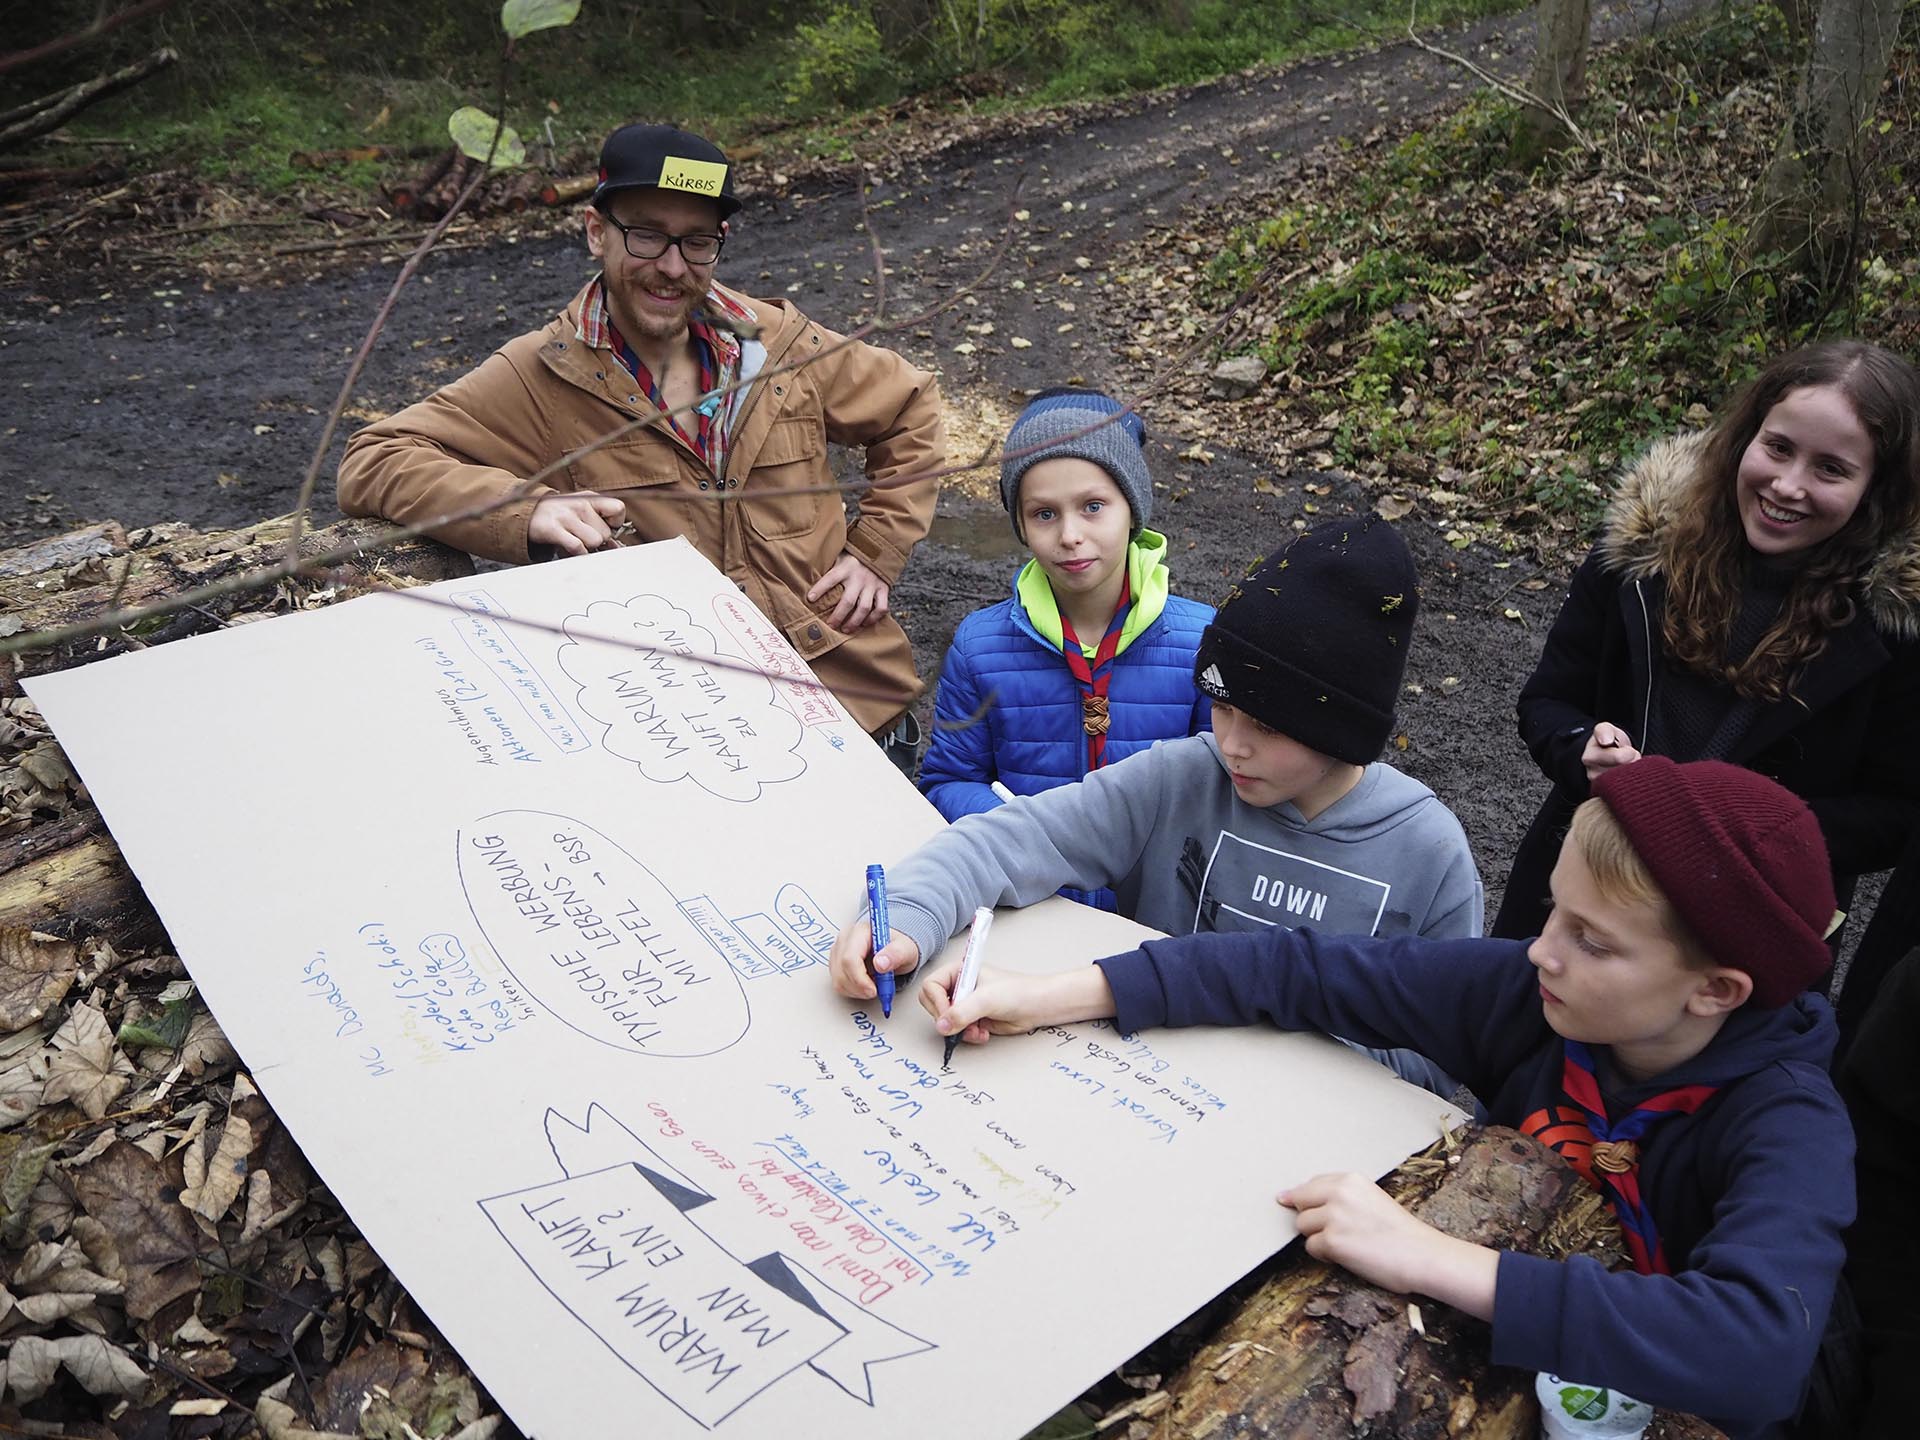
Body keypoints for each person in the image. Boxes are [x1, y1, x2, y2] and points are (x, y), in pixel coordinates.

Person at [923, 757, 1853, 1440]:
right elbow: (1301, 971)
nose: (1541, 950)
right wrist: (1045, 994)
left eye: (1591, 940)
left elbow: (1762, 1351)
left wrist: (1431, 1258)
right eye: (1554, 914)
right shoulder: (1529, 995)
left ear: (1717, 990)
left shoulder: (1787, 1120)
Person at [337, 123, 946, 768]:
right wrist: (523, 509)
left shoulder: (780, 346)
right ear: (597, 231)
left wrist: (877, 552)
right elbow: (375, 458)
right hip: (686, 737)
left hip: (854, 707)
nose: (673, 266)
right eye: (647, 234)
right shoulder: (541, 376)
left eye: (695, 241)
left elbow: (911, 407)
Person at [833, 515, 1482, 1092]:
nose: (1233, 744)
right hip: (1145, 1097)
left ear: (1344, 732)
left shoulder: (1428, 854)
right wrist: (907, 920)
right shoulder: (1184, 778)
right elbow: (1004, 840)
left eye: (1268, 726)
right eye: (1222, 708)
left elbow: (1447, 1056)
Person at [1493, 340, 1920, 942]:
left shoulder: (1896, 626)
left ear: (1877, 489)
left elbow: (1898, 810)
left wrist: (1763, 831)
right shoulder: (1640, 555)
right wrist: (1581, 749)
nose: (1788, 485)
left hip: (1753, 931)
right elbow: (1548, 702)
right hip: (1579, 889)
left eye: (1831, 469)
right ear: (1746, 435)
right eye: (1778, 447)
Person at [916, 388, 1213, 907]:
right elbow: (948, 779)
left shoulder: (1200, 642)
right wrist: (1026, 838)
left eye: (1093, 507)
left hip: (1158, 922)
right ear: (1022, 525)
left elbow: (1226, 792)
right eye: (1044, 514)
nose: (1070, 535)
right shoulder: (980, 646)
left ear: (1133, 509)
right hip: (1031, 904)